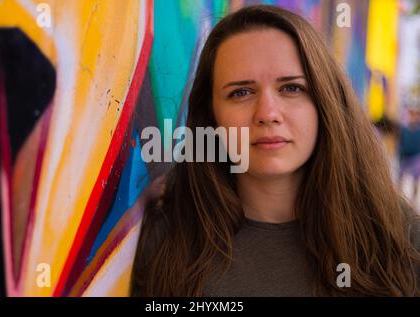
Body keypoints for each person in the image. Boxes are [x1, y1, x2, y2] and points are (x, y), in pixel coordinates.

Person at [131, 5, 420, 296]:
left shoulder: (400, 237)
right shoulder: (166, 242)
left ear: (325, 102)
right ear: (211, 116)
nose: (268, 113)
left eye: (291, 88)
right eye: (241, 92)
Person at [398, 106, 420, 201]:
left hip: (415, 157)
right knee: (400, 177)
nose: (414, 116)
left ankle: (413, 200)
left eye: (416, 114)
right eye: (412, 114)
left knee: (415, 180)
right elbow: (399, 141)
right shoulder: (404, 128)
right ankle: (399, 197)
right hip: (404, 157)